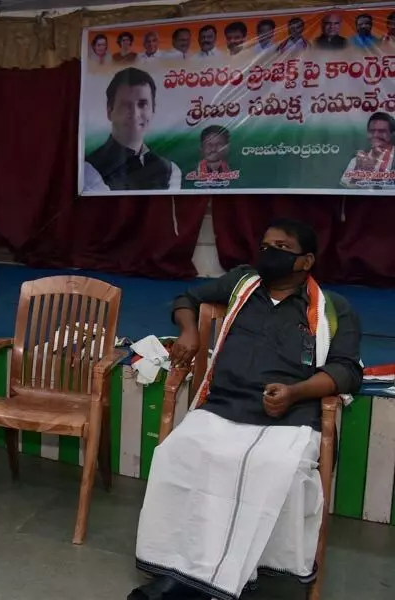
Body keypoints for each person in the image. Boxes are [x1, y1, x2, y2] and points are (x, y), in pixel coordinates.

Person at [128, 219, 363, 600]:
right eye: (266, 244)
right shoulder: (242, 283)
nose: (269, 252)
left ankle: (222, 577)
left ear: (305, 261)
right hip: (223, 406)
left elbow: (346, 371)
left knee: (262, 467)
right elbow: (186, 298)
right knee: (178, 453)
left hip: (287, 417)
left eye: (281, 247)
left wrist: (295, 392)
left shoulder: (333, 308)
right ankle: (183, 567)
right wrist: (189, 331)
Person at [84, 68, 181, 192]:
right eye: (125, 105)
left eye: (142, 104)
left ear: (153, 110)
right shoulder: (89, 170)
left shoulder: (170, 170)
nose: (135, 114)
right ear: (109, 111)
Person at [340, 112, 395, 189]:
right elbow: (346, 191)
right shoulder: (356, 160)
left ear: (392, 134)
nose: (375, 135)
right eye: (372, 131)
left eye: (382, 131)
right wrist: (359, 171)